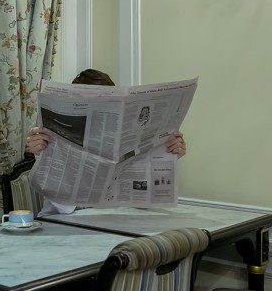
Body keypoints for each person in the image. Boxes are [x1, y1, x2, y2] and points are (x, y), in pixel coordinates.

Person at [25, 68, 187, 215]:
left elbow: (142, 198)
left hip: (113, 222)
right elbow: (62, 207)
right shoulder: (51, 136)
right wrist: (41, 153)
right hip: (62, 225)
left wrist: (167, 153)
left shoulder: (126, 134)